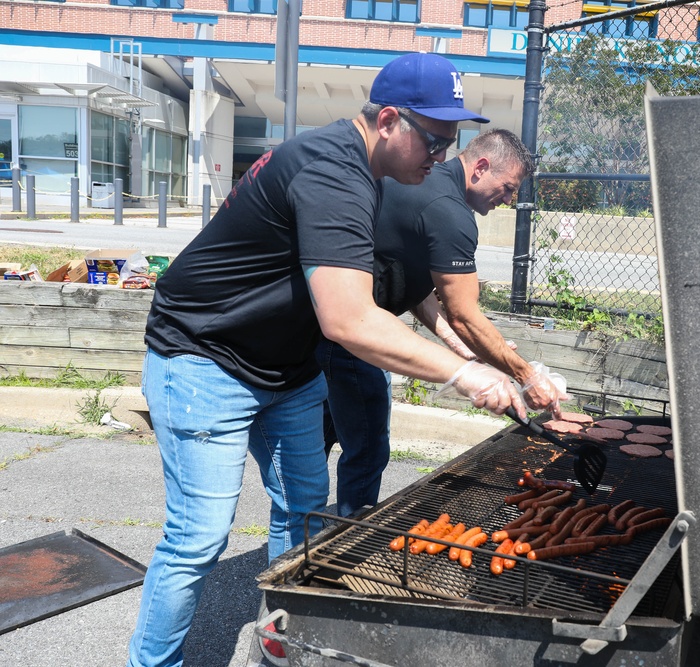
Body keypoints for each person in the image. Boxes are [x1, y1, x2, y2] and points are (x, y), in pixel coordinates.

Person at [127, 53, 526, 667]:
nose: (441, 157)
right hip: (204, 356)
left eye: (449, 144)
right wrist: (466, 373)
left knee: (304, 519)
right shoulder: (331, 169)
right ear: (389, 119)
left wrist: (452, 339)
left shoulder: (373, 171)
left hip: (288, 368)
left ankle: (283, 651)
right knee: (199, 540)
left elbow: (392, 285)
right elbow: (349, 320)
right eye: (435, 141)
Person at [318, 128, 569, 518]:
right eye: (507, 187)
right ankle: (350, 531)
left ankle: (308, 524)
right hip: (357, 334)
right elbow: (465, 315)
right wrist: (527, 376)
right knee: (366, 446)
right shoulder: (450, 211)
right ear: (481, 167)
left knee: (325, 437)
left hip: (331, 325)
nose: (509, 199)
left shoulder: (423, 183)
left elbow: (407, 280)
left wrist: (455, 342)